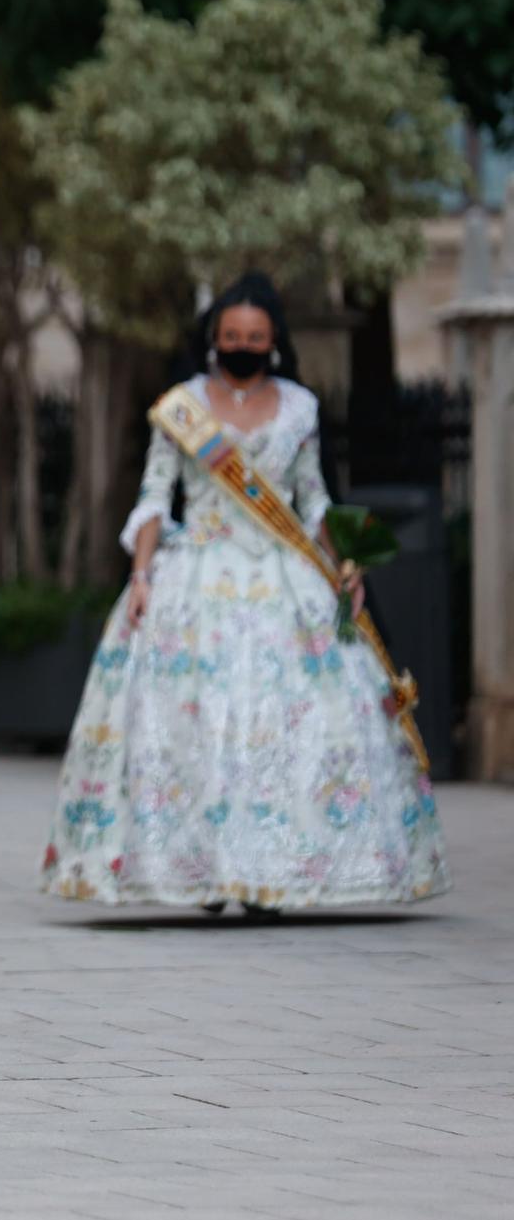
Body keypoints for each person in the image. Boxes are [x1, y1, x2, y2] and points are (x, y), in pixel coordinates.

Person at [41, 273, 449, 912]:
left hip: (286, 578)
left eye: (255, 336)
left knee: (291, 725)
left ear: (273, 341)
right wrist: (142, 577)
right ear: (213, 338)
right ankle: (199, 873)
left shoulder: (299, 407)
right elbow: (153, 497)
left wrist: (345, 565)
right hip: (195, 579)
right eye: (232, 335)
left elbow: (313, 498)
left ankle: (275, 870)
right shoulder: (181, 406)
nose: (243, 345)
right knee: (192, 724)